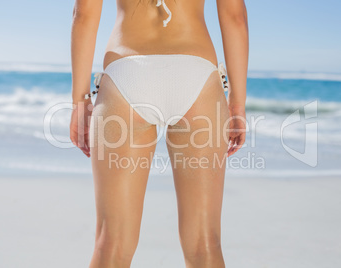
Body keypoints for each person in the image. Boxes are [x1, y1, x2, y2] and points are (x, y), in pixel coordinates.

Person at [70, 0, 248, 267]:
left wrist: (80, 101)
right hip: (196, 71)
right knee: (204, 243)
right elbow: (235, 17)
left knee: (112, 243)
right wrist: (236, 103)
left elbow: (83, 14)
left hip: (127, 69)